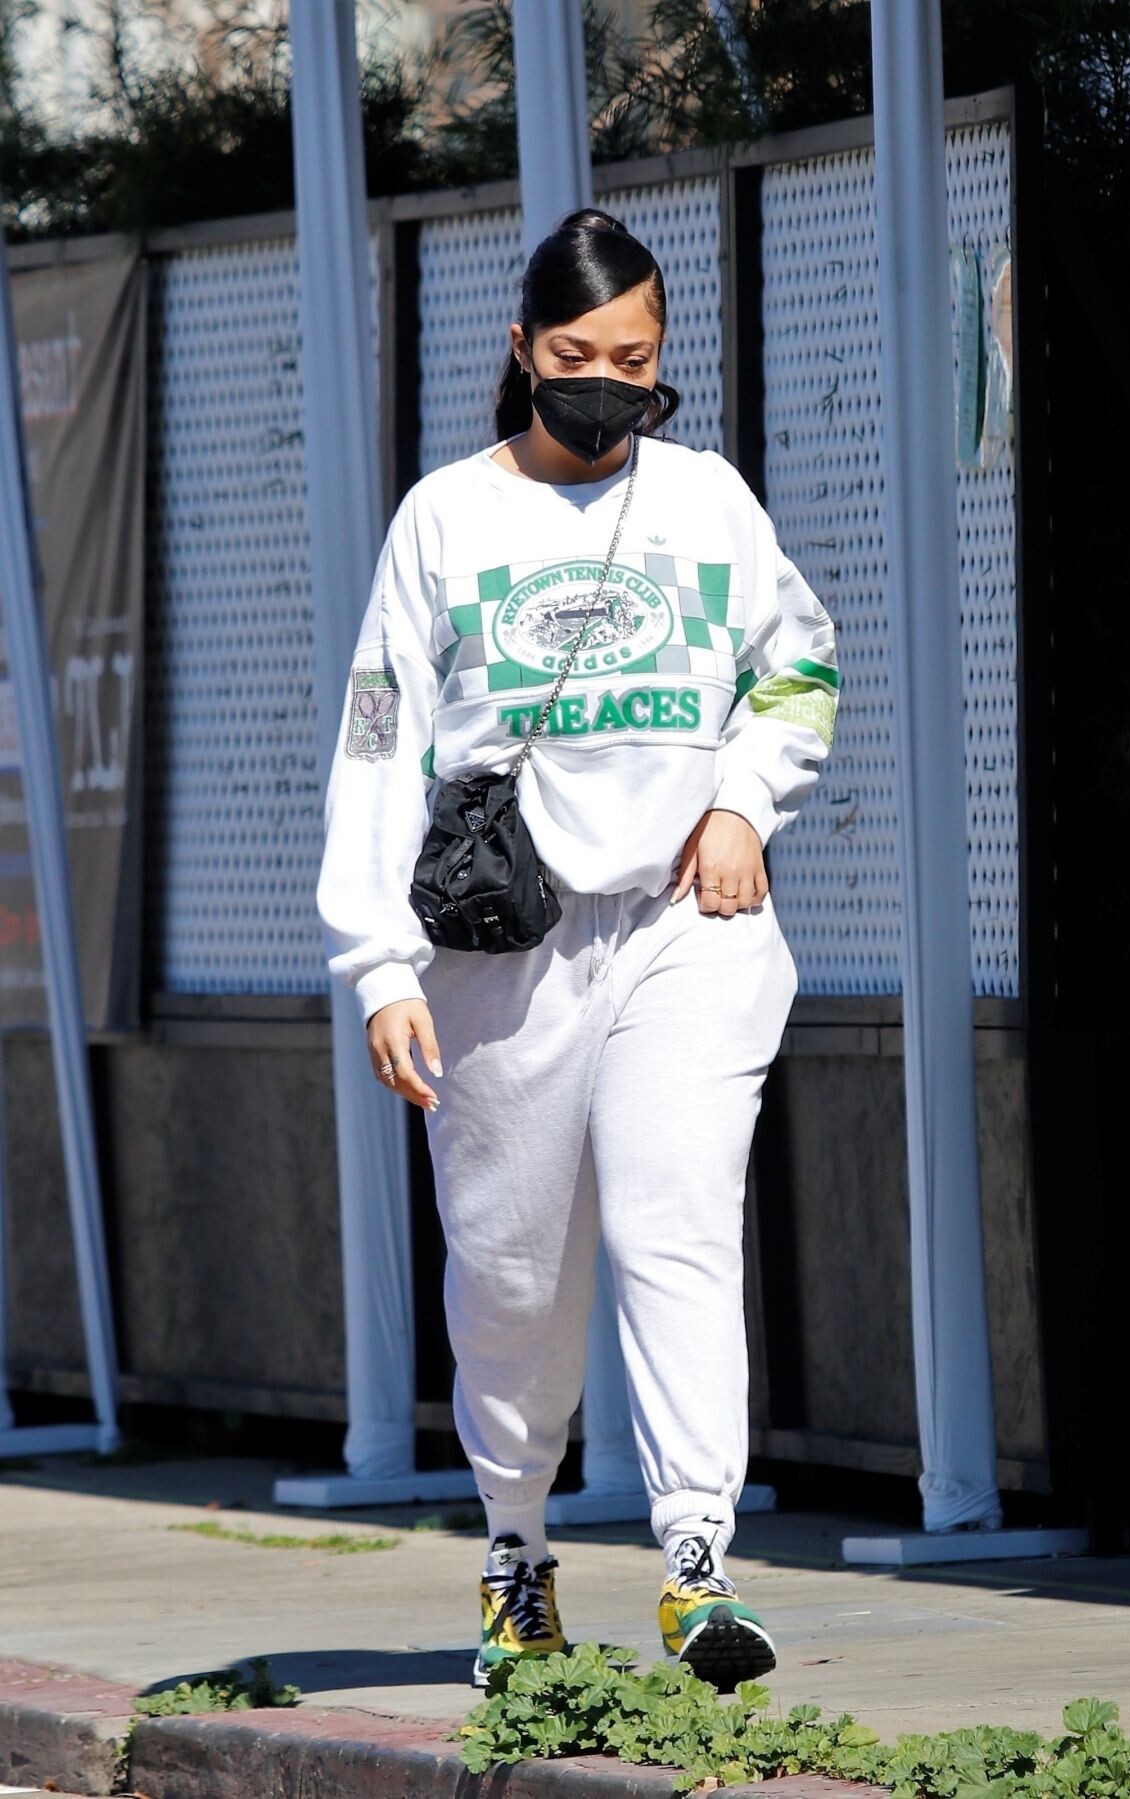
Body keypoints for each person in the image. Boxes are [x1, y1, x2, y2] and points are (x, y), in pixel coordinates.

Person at [316, 208, 840, 1691]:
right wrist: (377, 964)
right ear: (523, 349)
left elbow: (800, 660)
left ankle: (696, 1560)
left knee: (677, 1221)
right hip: (503, 953)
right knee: (513, 1270)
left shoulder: (707, 499)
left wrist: (744, 800)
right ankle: (516, 1548)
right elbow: (378, 737)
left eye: (636, 356)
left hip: (689, 927)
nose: (609, 381)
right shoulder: (444, 520)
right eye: (577, 353)